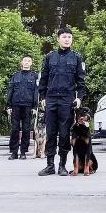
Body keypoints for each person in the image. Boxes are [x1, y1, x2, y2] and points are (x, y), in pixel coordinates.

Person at [37, 28, 85, 177]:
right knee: (51, 133)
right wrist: (42, 97)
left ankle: (62, 166)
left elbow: (81, 81)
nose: (67, 39)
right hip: (51, 100)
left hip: (67, 100)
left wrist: (79, 98)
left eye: (69, 37)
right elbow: (43, 79)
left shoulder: (76, 57)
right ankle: (49, 165)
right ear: (58, 39)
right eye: (64, 37)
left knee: (64, 134)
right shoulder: (50, 57)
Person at [6, 55, 39, 159]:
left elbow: (36, 92)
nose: (26, 62)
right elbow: (10, 90)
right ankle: (14, 152)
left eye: (29, 61)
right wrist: (8, 106)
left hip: (28, 106)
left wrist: (35, 107)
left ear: (31, 63)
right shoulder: (15, 75)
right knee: (15, 129)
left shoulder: (34, 76)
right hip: (15, 105)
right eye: (25, 60)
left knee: (26, 129)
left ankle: (23, 152)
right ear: (21, 62)